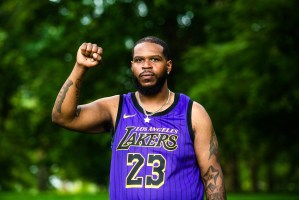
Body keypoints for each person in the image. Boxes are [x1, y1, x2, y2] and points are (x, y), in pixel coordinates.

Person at [52, 36, 226, 200]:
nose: (146, 65)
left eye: (155, 59)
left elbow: (211, 175)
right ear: (132, 66)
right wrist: (80, 67)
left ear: (169, 66)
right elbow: (62, 117)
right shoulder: (116, 107)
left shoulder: (192, 112)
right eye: (139, 60)